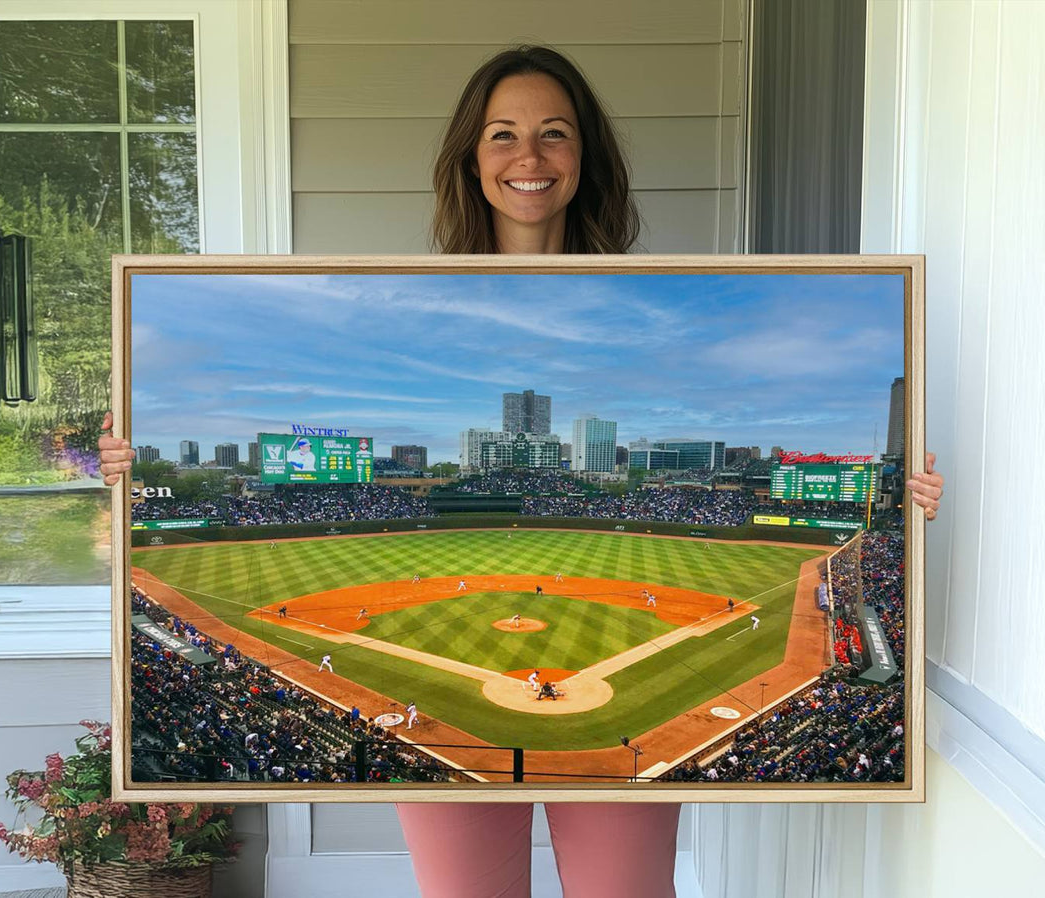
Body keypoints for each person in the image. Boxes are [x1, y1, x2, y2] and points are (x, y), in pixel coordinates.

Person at [97, 43, 946, 898]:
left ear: (585, 158)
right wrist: (123, 467)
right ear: (472, 157)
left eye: (554, 134)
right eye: (502, 134)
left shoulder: (644, 297)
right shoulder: (414, 294)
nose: (528, 157)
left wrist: (901, 496)